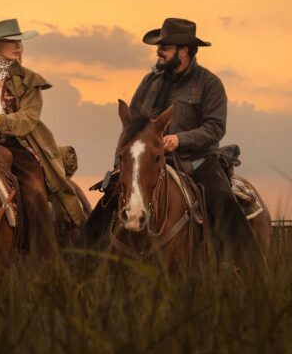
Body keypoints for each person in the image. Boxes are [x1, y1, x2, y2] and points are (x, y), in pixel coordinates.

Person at [82, 17, 259, 265]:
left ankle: (248, 268)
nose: (159, 51)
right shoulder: (149, 82)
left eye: (165, 47)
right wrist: (121, 164)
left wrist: (180, 139)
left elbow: (215, 127)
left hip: (197, 160)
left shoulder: (209, 84)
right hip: (150, 159)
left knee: (221, 198)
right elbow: (130, 127)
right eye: (160, 47)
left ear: (183, 51)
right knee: (107, 202)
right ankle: (83, 268)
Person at [0, 19, 87, 261]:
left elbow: (29, 117)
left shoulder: (29, 81)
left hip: (18, 146)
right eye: (12, 42)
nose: (19, 47)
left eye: (20, 42)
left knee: (34, 193)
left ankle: (45, 259)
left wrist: (0, 122)